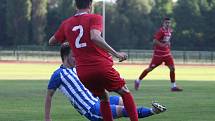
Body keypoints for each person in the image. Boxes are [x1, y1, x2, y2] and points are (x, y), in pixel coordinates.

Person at [49, 0, 139, 121]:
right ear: (90, 5)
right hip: (100, 66)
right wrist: (116, 54)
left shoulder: (66, 24)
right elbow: (95, 36)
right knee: (124, 91)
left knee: (103, 97)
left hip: (83, 73)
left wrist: (69, 37)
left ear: (76, 5)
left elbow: (52, 41)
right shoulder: (94, 18)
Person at [44, 43, 167, 121]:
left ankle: (152, 111)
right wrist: (47, 118)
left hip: (98, 99)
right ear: (65, 57)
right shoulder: (58, 75)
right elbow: (49, 96)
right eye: (74, 56)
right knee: (124, 111)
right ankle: (153, 111)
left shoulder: (79, 68)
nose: (77, 58)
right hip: (92, 109)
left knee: (126, 104)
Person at [134, 17, 183, 92]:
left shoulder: (169, 31)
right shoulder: (161, 31)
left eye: (169, 23)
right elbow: (154, 41)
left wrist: (168, 44)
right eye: (166, 23)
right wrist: (162, 45)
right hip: (158, 55)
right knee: (150, 69)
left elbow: (166, 40)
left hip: (167, 54)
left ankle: (173, 86)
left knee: (172, 68)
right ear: (163, 23)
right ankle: (138, 81)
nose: (168, 24)